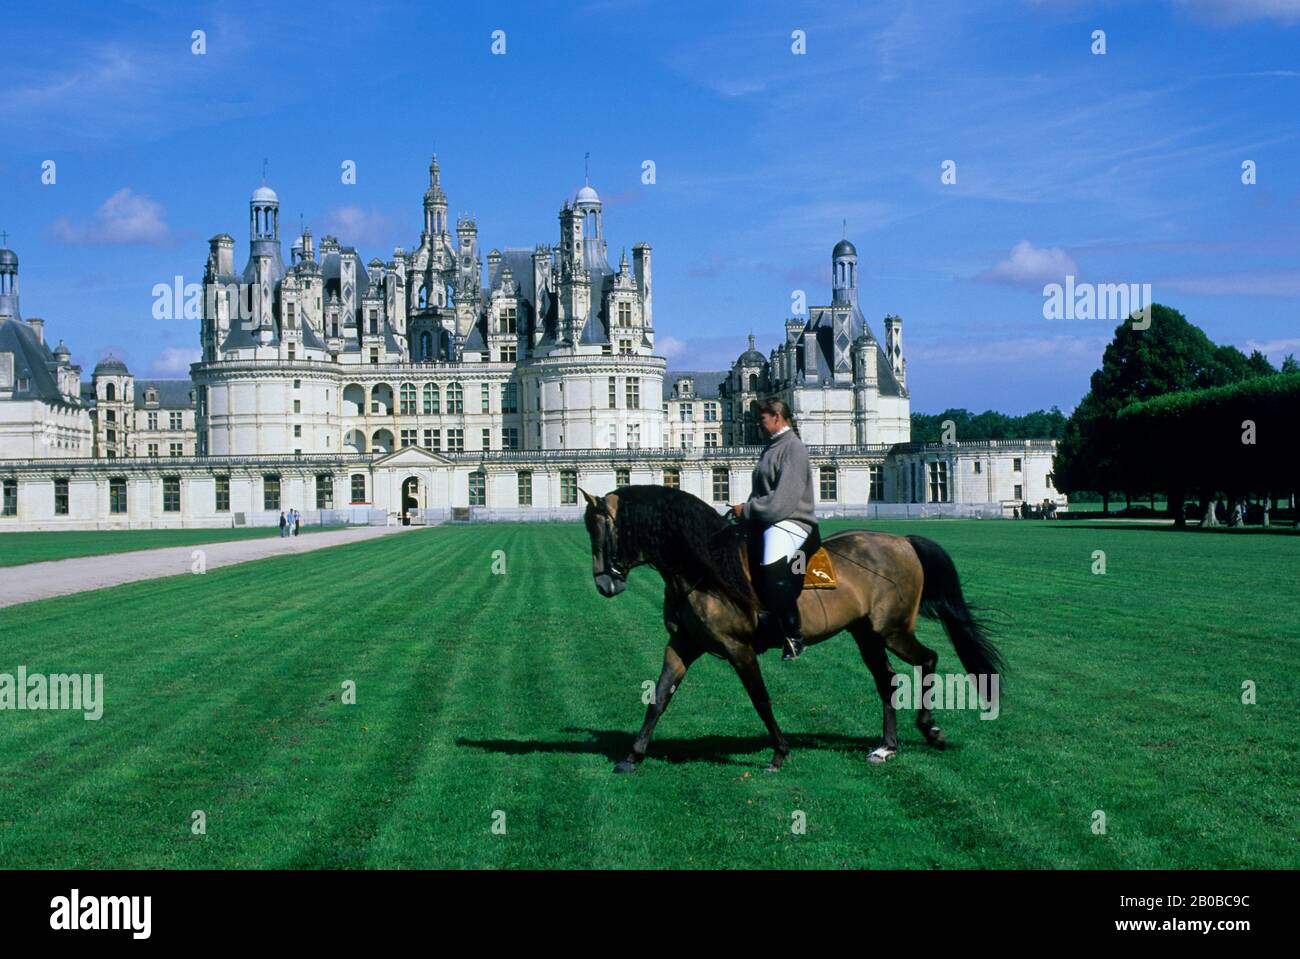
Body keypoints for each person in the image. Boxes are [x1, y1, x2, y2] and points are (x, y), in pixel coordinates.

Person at [730, 397, 820, 661]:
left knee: (771, 566)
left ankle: (793, 634)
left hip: (793, 521)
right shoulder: (771, 447)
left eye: (762, 419)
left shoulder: (793, 448)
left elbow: (781, 504)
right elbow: (763, 492)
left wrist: (746, 510)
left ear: (777, 418)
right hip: (770, 519)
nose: (759, 424)